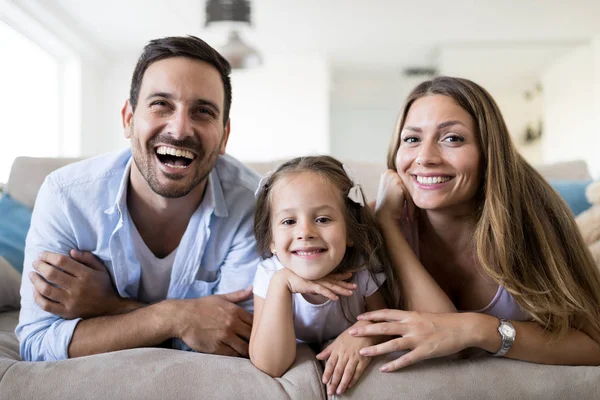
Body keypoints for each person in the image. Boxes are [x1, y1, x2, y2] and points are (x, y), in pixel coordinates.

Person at [17, 35, 261, 361]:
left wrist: (108, 306)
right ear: (128, 120)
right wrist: (175, 318)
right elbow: (37, 343)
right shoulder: (66, 197)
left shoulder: (254, 204)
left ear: (224, 135)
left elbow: (236, 341)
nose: (179, 129)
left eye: (203, 111)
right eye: (161, 104)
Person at [349, 76, 600, 371]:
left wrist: (477, 328)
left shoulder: (534, 215)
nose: (425, 157)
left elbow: (594, 343)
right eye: (412, 139)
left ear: (488, 152)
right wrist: (388, 227)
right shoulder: (376, 220)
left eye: (452, 138)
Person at [249, 156, 401, 396]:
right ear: (271, 241)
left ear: (350, 231)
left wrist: (361, 335)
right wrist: (282, 283)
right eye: (289, 221)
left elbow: (386, 323)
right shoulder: (270, 275)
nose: (305, 232)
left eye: (322, 219)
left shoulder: (361, 270)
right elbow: (271, 365)